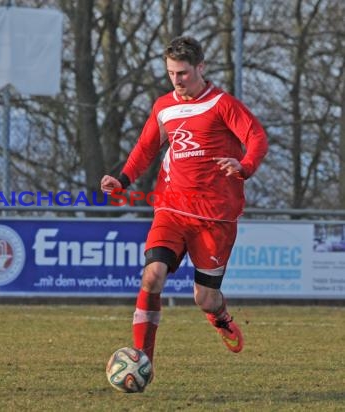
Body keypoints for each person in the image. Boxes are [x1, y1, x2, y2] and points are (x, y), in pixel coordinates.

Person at [101, 36, 268, 383]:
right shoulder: (164, 106)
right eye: (171, 73)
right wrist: (123, 180)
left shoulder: (222, 104)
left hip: (215, 217)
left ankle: (220, 317)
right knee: (152, 275)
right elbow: (145, 148)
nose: (177, 80)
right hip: (172, 209)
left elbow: (256, 137)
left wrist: (245, 165)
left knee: (205, 298)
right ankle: (142, 360)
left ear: (201, 68)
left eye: (183, 73)